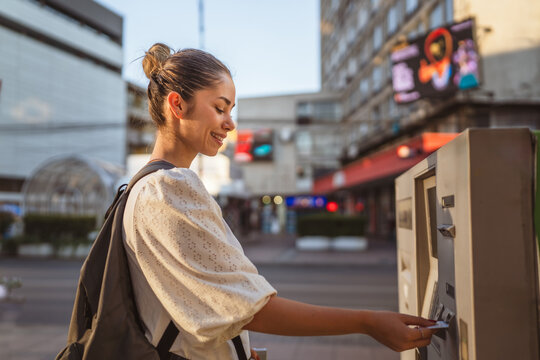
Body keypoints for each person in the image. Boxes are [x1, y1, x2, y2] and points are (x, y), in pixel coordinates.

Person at [122, 43, 438, 360]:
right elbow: (246, 307)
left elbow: (179, 303)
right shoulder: (170, 187)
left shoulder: (139, 187)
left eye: (231, 111)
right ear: (177, 105)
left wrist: (237, 350)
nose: (230, 123)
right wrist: (368, 322)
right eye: (220, 108)